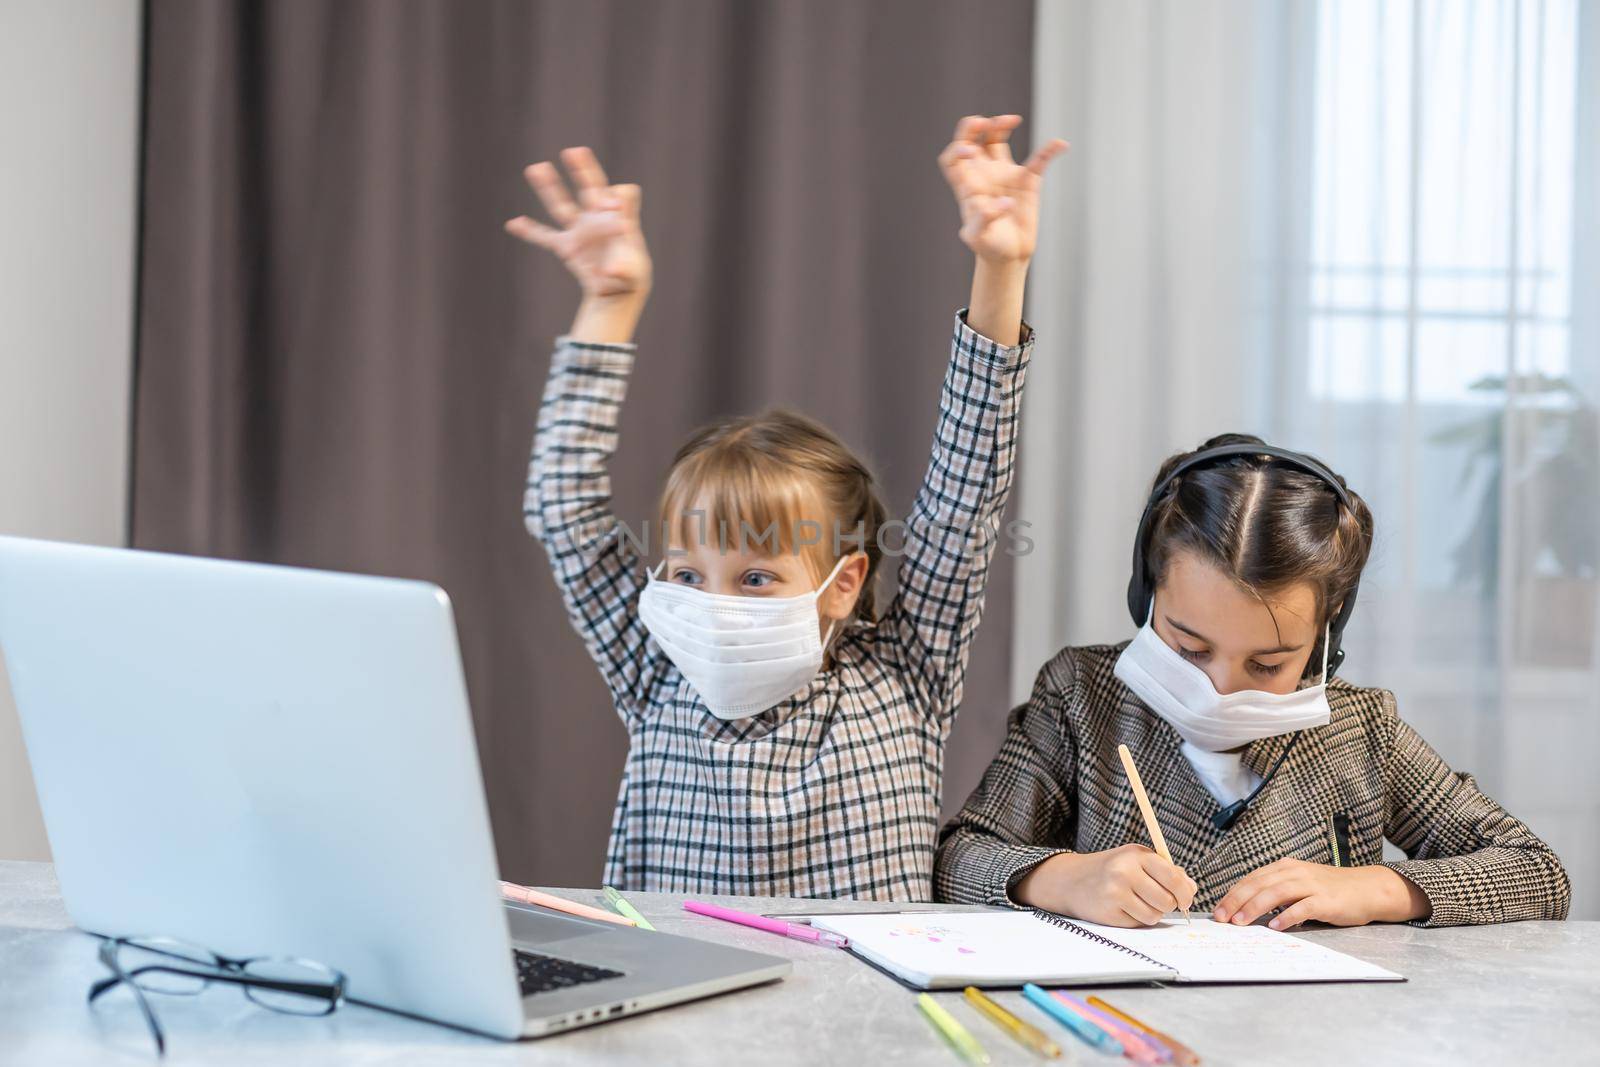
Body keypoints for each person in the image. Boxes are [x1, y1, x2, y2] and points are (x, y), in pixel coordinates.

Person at [509, 116, 1067, 898]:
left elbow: (966, 488)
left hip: (864, 1015)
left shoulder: (908, 674)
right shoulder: (656, 672)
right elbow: (563, 507)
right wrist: (610, 302)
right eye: (688, 574)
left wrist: (1000, 267)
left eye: (757, 577)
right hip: (685, 1008)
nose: (713, 604)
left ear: (843, 582)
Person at [934, 434, 1571, 928]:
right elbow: (961, 859)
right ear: (1144, 597)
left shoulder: (1359, 732)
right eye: (1188, 648)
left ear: (1326, 638)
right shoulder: (1083, 695)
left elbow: (1540, 874)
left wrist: (1377, 889)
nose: (1221, 687)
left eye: (1267, 664)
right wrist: (1060, 878)